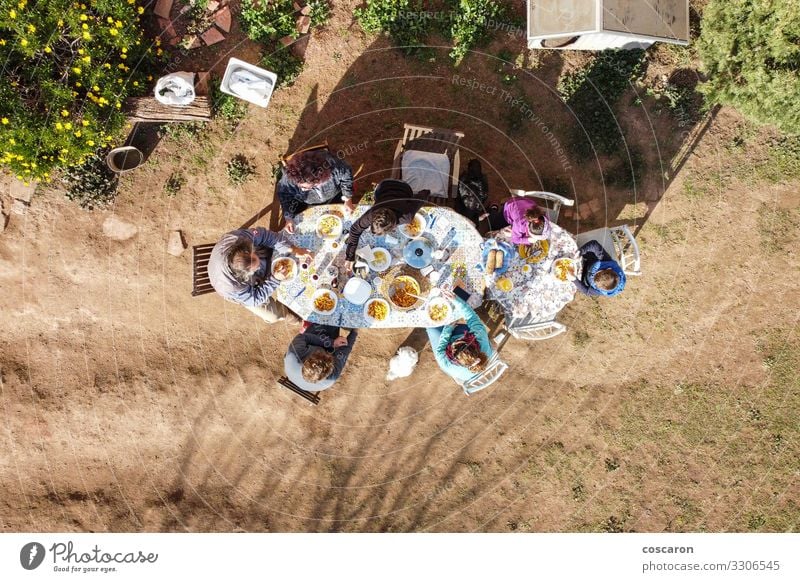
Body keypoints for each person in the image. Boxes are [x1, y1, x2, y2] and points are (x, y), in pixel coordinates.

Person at [208, 227, 312, 323]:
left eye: (256, 257)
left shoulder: (239, 239)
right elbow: (254, 299)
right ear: (246, 275)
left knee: (281, 249)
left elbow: (265, 236)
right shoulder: (233, 287)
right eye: (256, 268)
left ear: (247, 250)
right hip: (237, 291)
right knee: (272, 316)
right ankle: (285, 313)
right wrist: (275, 279)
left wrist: (293, 249)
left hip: (227, 260)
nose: (259, 267)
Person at [343, 179, 426, 273]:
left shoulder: (407, 216)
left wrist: (412, 202)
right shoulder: (372, 214)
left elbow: (425, 194)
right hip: (383, 186)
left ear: (393, 227)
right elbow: (354, 230)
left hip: (404, 188)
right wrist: (350, 257)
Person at [277, 149, 355, 233]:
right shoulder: (290, 178)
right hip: (306, 202)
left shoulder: (334, 166)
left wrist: (348, 199)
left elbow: (346, 176)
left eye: (306, 187)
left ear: (320, 179)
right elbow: (283, 193)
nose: (302, 190)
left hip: (334, 195)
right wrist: (288, 218)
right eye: (301, 186)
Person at [426, 291, 495, 384]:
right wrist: (455, 299)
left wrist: (448, 330)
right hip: (468, 338)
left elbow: (440, 351)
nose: (455, 342)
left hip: (458, 370)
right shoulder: (480, 338)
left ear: (454, 358)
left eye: (454, 345)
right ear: (471, 342)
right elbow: (471, 317)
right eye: (459, 341)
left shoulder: (448, 365)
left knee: (430, 326)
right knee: (461, 298)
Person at [284, 324, 358, 391]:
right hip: (301, 381)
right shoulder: (332, 376)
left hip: (296, 375)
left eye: (320, 353)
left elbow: (303, 336)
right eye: (328, 355)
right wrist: (355, 330)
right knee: (332, 326)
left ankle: (312, 326)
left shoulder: (294, 353)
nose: (326, 353)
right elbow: (344, 351)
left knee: (321, 325)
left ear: (309, 358)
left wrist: (332, 342)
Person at [481, 197, 551, 244]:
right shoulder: (520, 224)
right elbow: (515, 239)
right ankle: (493, 209)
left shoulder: (543, 216)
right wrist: (528, 240)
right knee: (495, 224)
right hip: (508, 210)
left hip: (519, 202)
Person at [455, 158, 489, 227]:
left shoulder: (464, 177)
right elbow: (485, 194)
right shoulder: (483, 179)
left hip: (464, 207)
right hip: (473, 208)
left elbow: (459, 191)